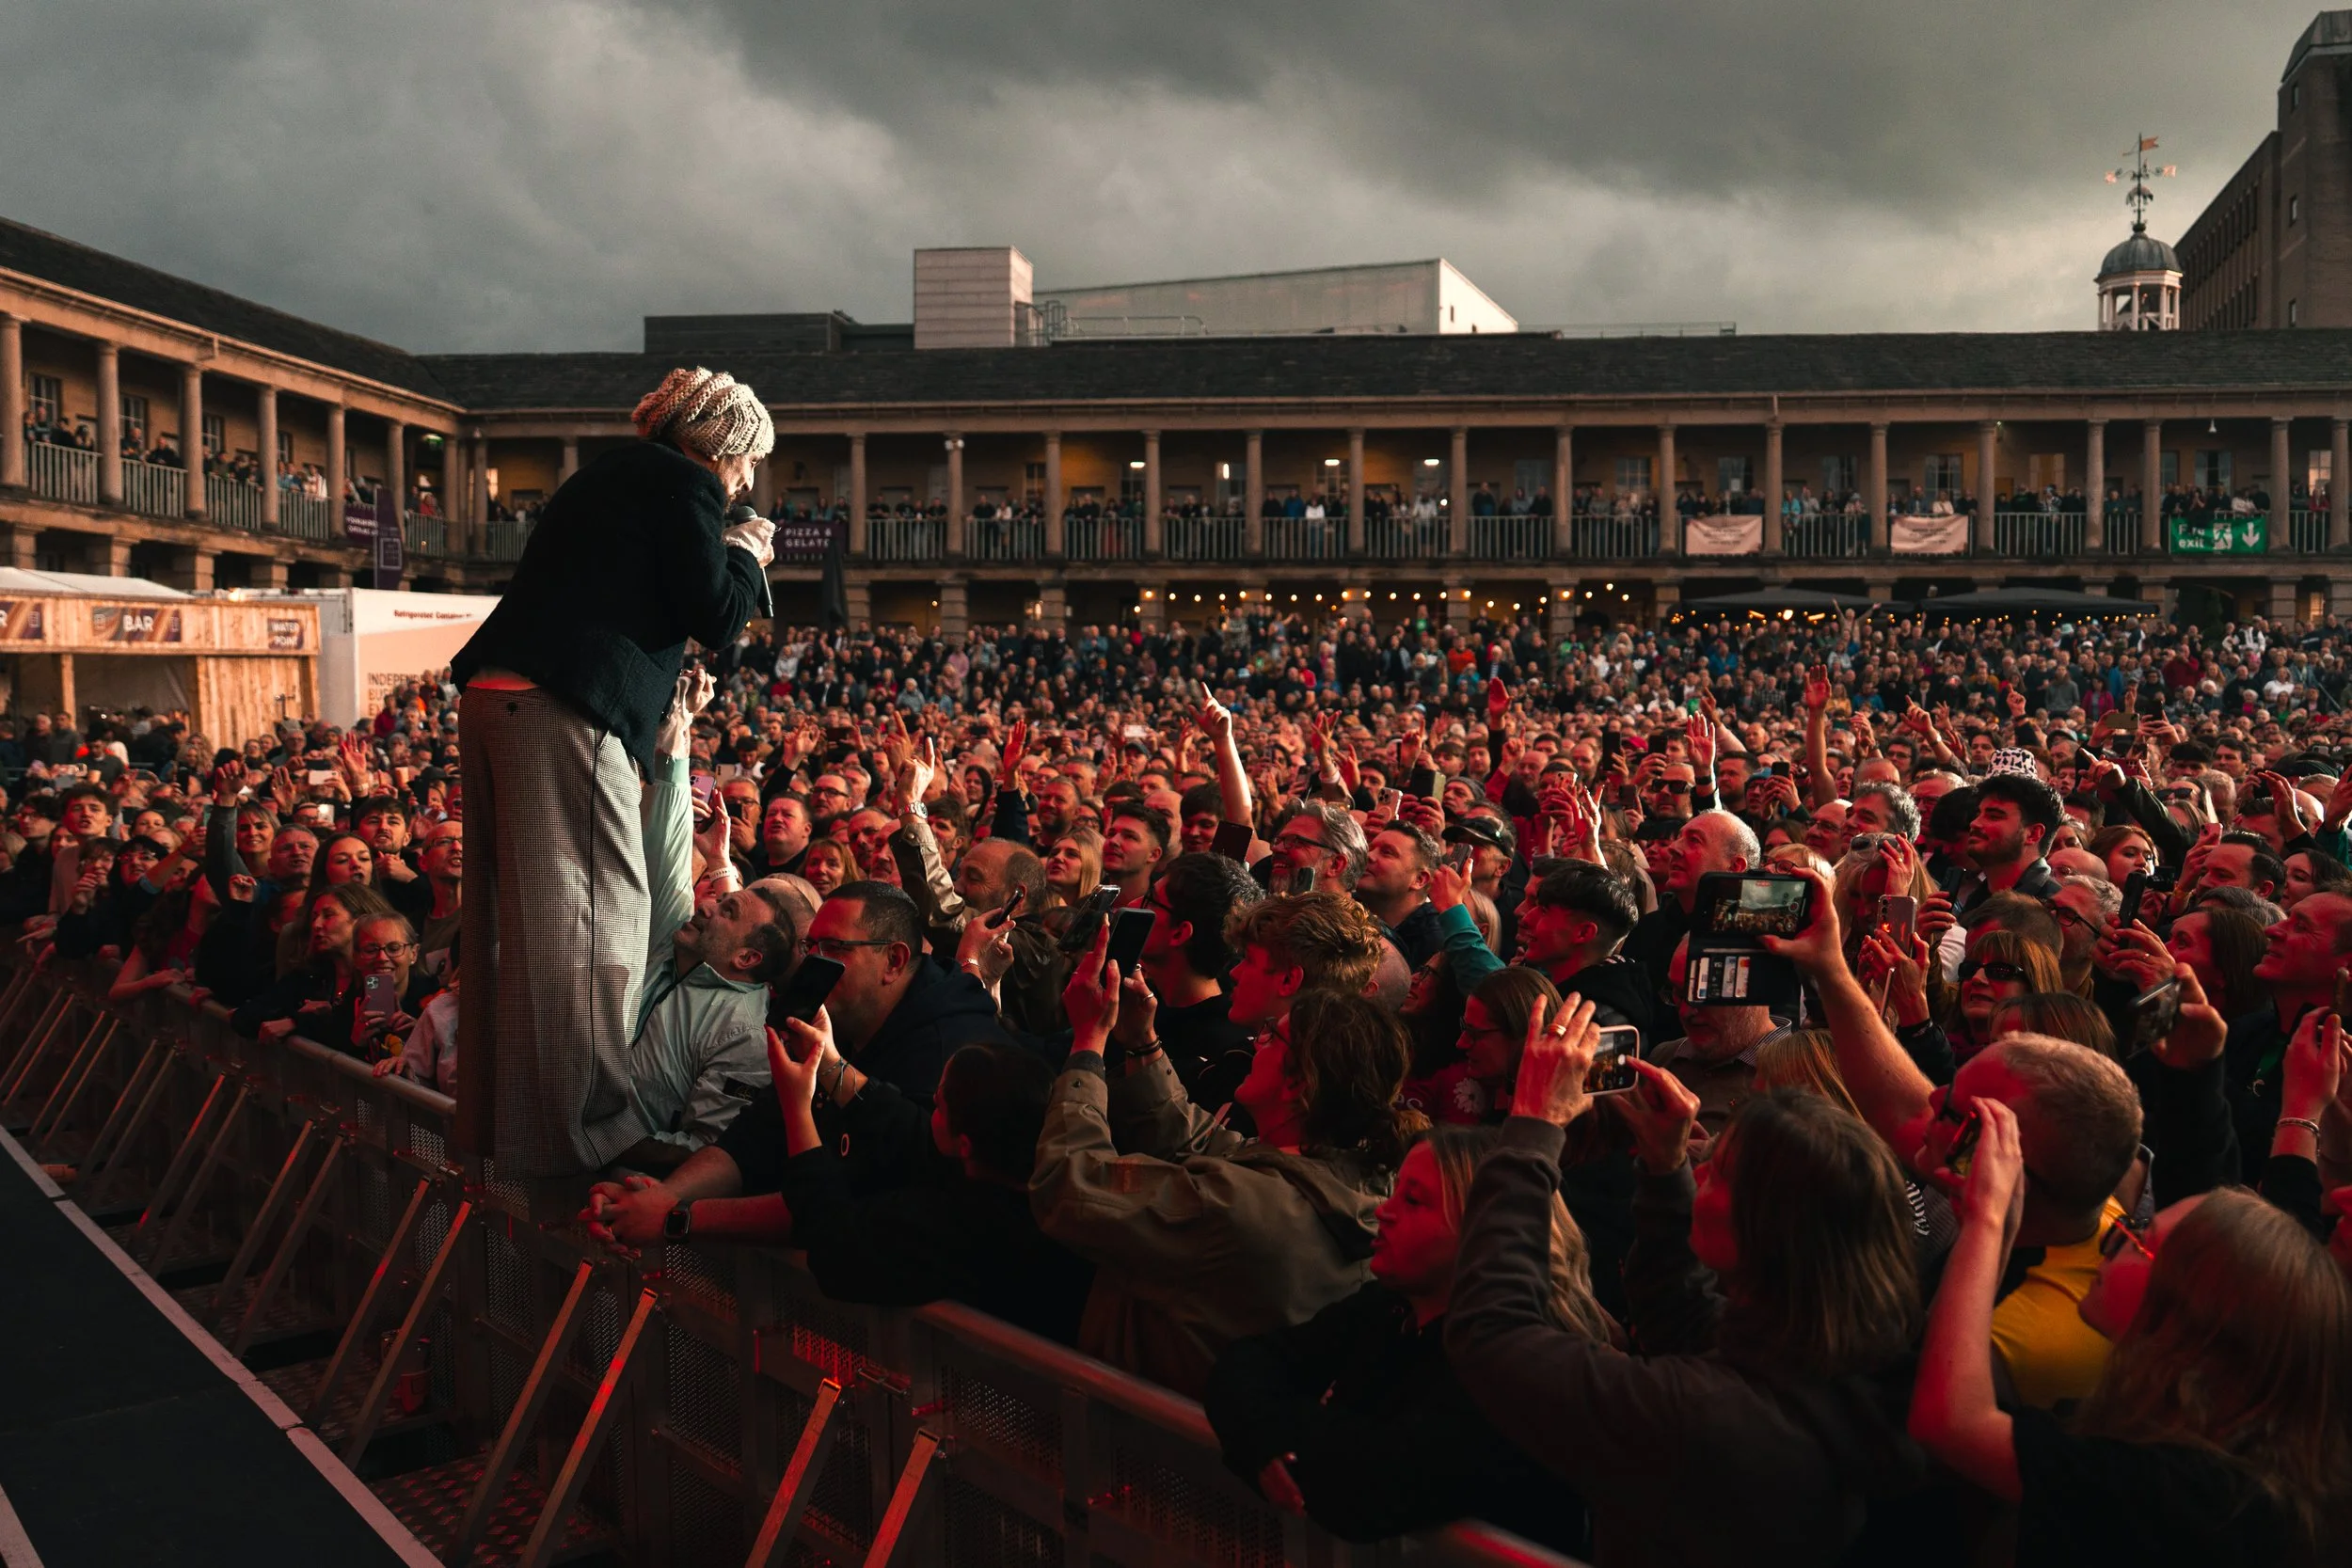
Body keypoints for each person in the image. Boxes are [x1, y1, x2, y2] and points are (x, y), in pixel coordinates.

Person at [1445, 996, 1926, 1568]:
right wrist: (1664, 1165)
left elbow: (1491, 1335)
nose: (1699, 1173)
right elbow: (1683, 1321)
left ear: (1766, 1236)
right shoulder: (1834, 1365)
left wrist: (1533, 1126)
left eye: (1718, 1177)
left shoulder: (1707, 1419)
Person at [453, 365, 778, 1180]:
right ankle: (589, 1130)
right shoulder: (687, 483)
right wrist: (744, 551)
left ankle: (495, 1121)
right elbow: (715, 615)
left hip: (500, 694)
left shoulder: (607, 473)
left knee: (511, 921)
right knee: (600, 919)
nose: (746, 482)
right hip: (569, 705)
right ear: (724, 445)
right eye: (749, 462)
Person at [1911, 1111, 2352, 1567]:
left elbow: (1949, 1421)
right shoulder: (2213, 1447)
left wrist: (1985, 1218)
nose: (2119, 1234)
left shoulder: (2190, 1491)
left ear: (2191, 1317)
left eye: (2143, 1239)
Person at [1031, 928, 1423, 1397]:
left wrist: (1088, 1044)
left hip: (1152, 1443)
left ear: (1297, 1085)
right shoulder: (1351, 1175)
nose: (1256, 1043)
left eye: (1273, 1038)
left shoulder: (1239, 1204)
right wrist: (1142, 1043)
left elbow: (1071, 1185)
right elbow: (1206, 1143)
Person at [1202, 1125, 1606, 1552]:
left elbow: (1371, 1485)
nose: (1384, 1211)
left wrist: (1273, 1433)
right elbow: (1245, 1362)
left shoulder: (1521, 1364)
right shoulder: (1389, 1307)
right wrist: (1265, 1439)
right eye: (1396, 1191)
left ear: (1487, 1235)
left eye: (1413, 1200)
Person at [767, 1030, 1094, 1344]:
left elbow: (833, 1243)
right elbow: (909, 1127)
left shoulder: (960, 1229)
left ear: (965, 1146)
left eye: (938, 1105)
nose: (930, 1105)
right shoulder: (1054, 1190)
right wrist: (832, 1064)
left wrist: (796, 1108)